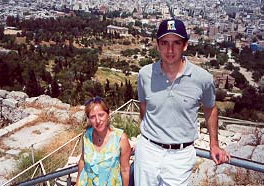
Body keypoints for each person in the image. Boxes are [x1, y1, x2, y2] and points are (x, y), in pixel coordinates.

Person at [135, 18, 231, 185]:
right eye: (164, 43)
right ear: (157, 45)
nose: (170, 49)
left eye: (176, 43)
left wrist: (214, 144)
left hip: (181, 156)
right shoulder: (144, 74)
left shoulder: (203, 78)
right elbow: (144, 109)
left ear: (185, 45)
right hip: (148, 152)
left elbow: (210, 109)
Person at [76, 96, 131, 186]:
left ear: (108, 114)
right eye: (93, 117)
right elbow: (82, 160)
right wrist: (78, 182)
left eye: (101, 115)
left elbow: (125, 169)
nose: (98, 120)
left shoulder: (120, 138)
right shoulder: (87, 136)